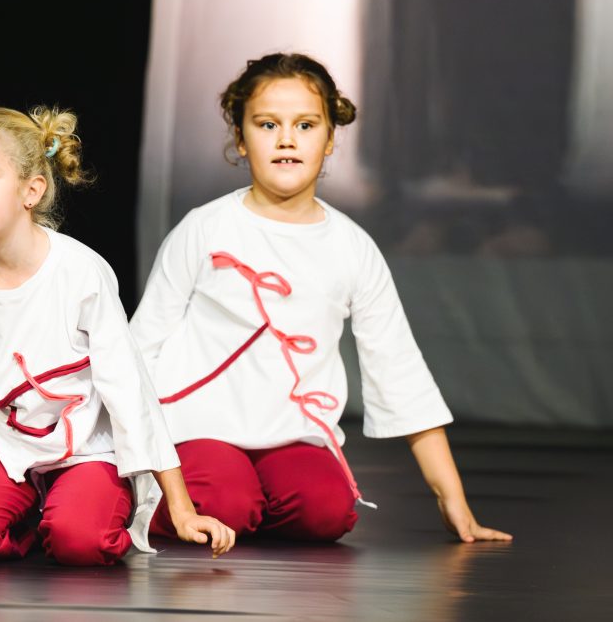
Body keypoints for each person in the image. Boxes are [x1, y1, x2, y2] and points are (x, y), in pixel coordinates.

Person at [130, 53, 512, 544]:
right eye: (268, 124)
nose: (287, 139)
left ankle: (252, 504)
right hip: (197, 428)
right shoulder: (204, 229)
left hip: (292, 433)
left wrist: (452, 499)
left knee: (327, 512)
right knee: (226, 502)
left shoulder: (351, 246)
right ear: (241, 139)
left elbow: (398, 367)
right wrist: (127, 456)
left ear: (330, 139)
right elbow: (141, 347)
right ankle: (184, 505)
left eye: (306, 125)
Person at [0, 104, 235, 565]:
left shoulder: (82, 273)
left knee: (81, 543)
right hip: (8, 446)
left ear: (31, 190)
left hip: (88, 447)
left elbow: (130, 392)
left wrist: (182, 508)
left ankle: (77, 506)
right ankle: (29, 518)